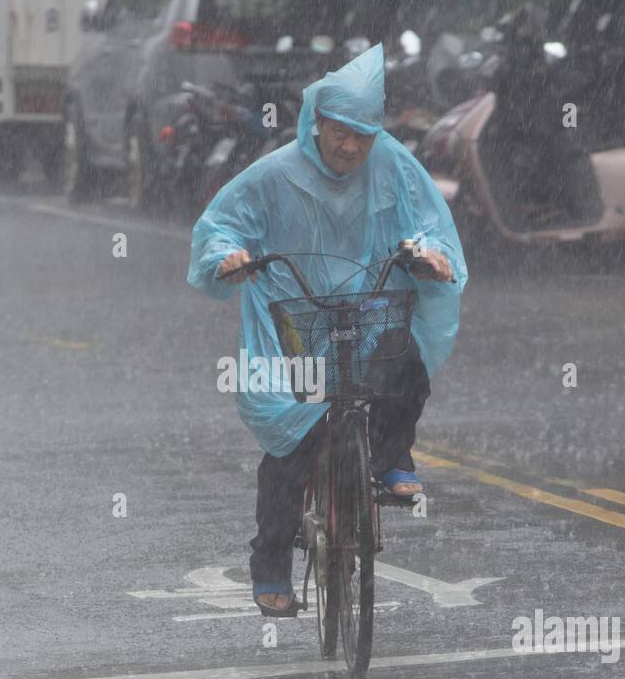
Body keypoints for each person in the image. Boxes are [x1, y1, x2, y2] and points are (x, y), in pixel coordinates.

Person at [188, 44, 467, 616]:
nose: (351, 147)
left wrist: (432, 255)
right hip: (302, 323)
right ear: (317, 123)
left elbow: (429, 224)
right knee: (296, 446)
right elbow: (221, 225)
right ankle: (270, 561)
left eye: (363, 135)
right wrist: (228, 257)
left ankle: (392, 461)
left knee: (406, 369)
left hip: (369, 315)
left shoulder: (394, 167)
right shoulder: (273, 174)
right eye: (341, 132)